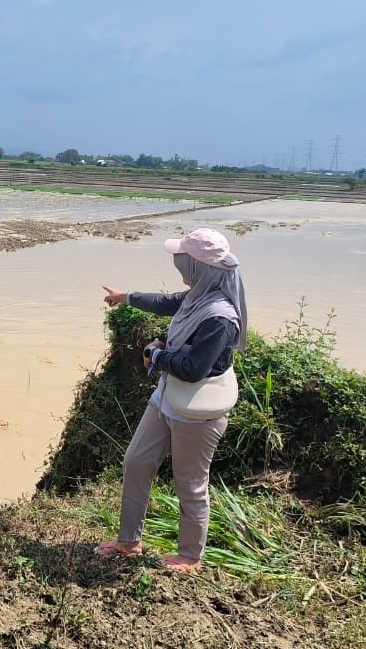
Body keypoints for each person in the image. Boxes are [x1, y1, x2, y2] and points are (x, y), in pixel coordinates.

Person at [96, 227, 248, 573]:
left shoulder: (220, 318)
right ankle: (128, 542)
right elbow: (166, 303)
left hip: (197, 413)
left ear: (198, 267)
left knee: (190, 484)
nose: (178, 267)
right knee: (136, 461)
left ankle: (190, 556)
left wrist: (155, 354)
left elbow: (193, 369)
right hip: (167, 397)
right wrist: (126, 297)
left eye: (182, 262)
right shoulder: (198, 295)